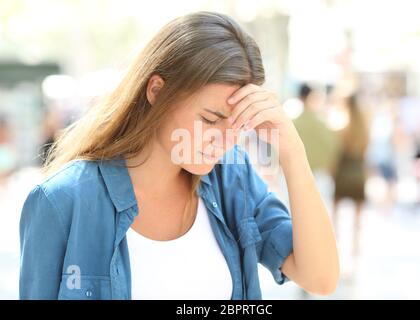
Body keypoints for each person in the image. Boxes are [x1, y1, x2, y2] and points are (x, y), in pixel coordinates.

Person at [19, 12, 339, 300]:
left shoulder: (234, 180)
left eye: (238, 125)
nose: (225, 141)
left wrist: (292, 153)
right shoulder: (63, 201)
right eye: (211, 119)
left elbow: (320, 279)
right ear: (156, 91)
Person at [332, 93, 369, 257]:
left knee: (336, 211)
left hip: (344, 170)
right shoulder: (364, 129)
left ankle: (335, 244)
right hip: (358, 170)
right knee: (358, 215)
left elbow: (337, 151)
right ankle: (356, 247)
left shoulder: (343, 128)